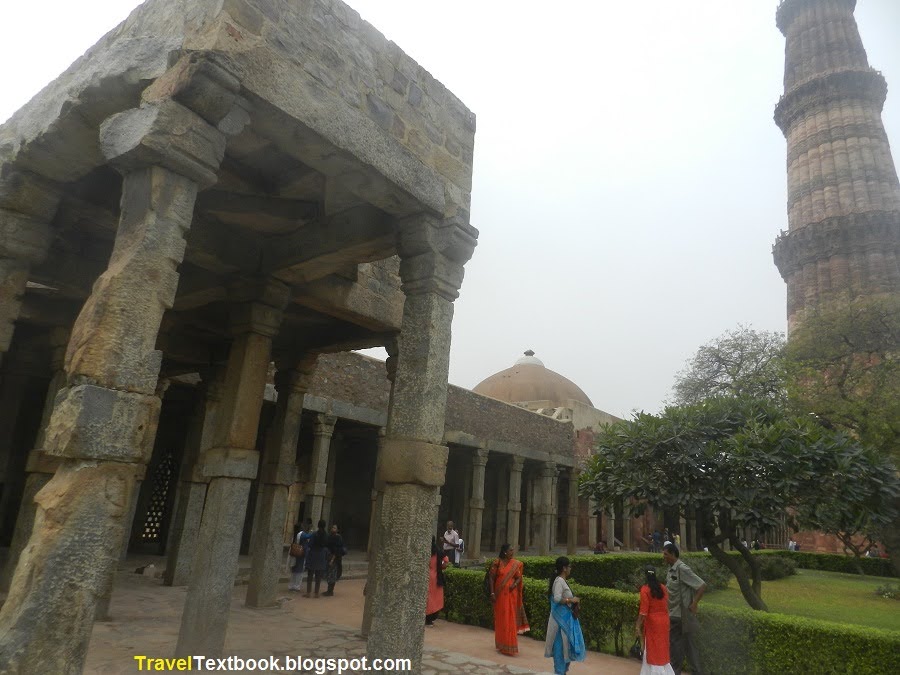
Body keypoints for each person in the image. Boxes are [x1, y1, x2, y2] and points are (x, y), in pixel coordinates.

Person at [663, 542, 706, 675]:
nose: (663, 556)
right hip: (674, 613)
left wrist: (694, 603)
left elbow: (701, 585)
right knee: (688, 646)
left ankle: (675, 672)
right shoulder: (671, 570)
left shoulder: (682, 569)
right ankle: (696, 671)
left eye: (666, 554)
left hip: (680, 615)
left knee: (676, 648)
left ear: (673, 554)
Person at [544, 556, 585, 674]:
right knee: (560, 649)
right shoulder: (559, 581)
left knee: (565, 648)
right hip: (559, 623)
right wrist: (571, 600)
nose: (571, 568)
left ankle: (561, 671)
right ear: (564, 568)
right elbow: (556, 598)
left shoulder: (561, 581)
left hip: (564, 621)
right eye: (569, 566)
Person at [488, 543, 529, 656]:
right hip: (500, 596)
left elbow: (518, 578)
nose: (512, 552)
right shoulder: (497, 562)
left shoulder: (515, 564)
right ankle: (501, 644)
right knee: (501, 619)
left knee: (510, 619)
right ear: (505, 552)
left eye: (513, 550)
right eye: (511, 550)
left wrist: (514, 585)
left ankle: (509, 646)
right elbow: (491, 578)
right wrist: (492, 593)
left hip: (511, 596)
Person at [635, 566, 675, 675]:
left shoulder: (645, 589)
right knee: (662, 647)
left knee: (653, 649)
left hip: (653, 623)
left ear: (646, 576)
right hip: (664, 621)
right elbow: (667, 605)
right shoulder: (663, 588)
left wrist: (637, 625)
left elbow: (643, 612)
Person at [426, 536, 449, 626]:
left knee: (428, 599)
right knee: (435, 599)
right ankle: (430, 618)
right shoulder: (438, 551)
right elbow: (446, 561)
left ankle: (426, 618)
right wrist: (440, 566)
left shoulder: (424, 550)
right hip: (436, 577)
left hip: (426, 577)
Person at [304, 519, 328, 598]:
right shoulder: (326, 535)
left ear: (318, 525)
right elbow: (326, 545)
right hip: (321, 555)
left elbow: (310, 544)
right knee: (318, 576)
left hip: (313, 554)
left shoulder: (314, 534)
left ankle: (308, 592)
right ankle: (316, 593)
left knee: (310, 575)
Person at [288, 518, 313, 591]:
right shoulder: (301, 534)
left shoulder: (295, 534)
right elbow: (308, 536)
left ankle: (291, 585)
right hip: (300, 554)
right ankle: (296, 586)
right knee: (299, 571)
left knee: (294, 571)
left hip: (295, 554)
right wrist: (312, 531)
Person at [323, 524, 345, 597]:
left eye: (334, 528)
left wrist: (332, 559)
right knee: (329, 574)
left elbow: (337, 550)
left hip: (335, 558)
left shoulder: (338, 538)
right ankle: (329, 590)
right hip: (329, 556)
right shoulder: (330, 536)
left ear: (337, 530)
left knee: (332, 574)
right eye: (332, 527)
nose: (333, 529)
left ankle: (330, 591)